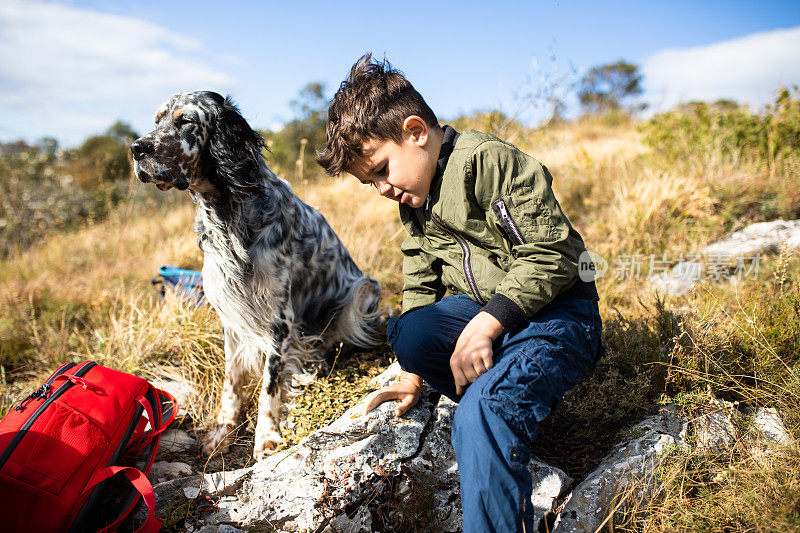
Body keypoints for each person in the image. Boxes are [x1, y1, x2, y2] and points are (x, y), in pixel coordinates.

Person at [316, 53, 605, 532]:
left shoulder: (486, 162)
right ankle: (504, 397)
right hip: (487, 316)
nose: (383, 189)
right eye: (371, 182)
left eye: (383, 170)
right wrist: (412, 376)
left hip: (558, 316)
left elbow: (552, 253)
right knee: (409, 333)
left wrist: (487, 324)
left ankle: (494, 413)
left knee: (479, 411)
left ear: (415, 131)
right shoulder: (416, 196)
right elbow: (421, 278)